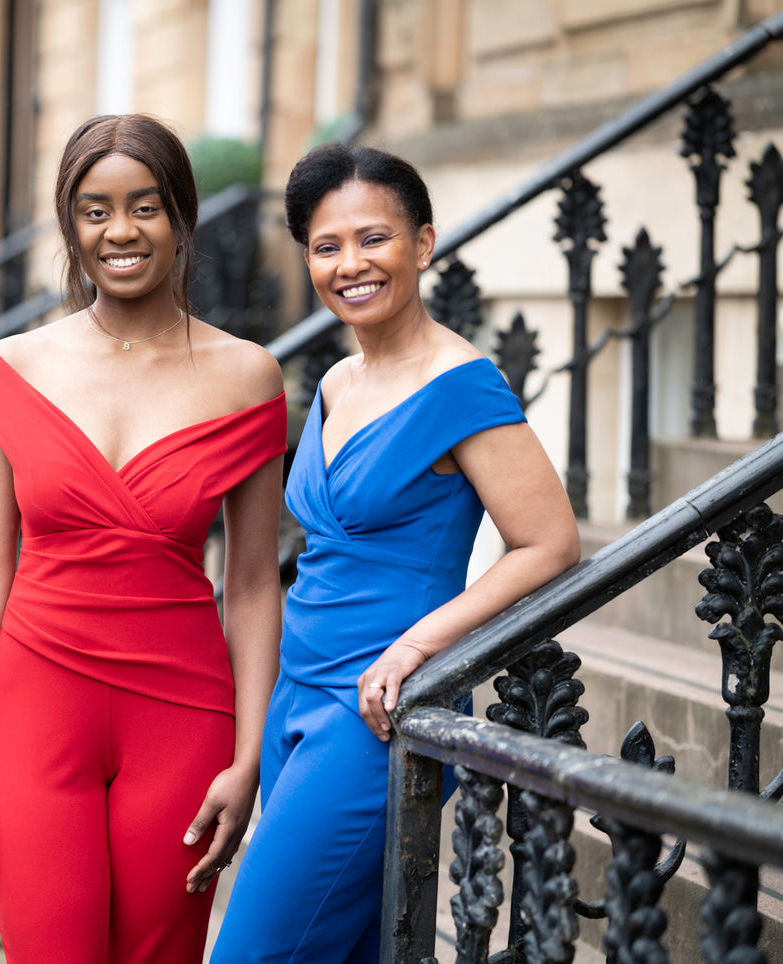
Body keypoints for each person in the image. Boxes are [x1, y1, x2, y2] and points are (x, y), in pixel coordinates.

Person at [209, 143, 581, 964]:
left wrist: (419, 644)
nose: (350, 264)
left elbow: (550, 543)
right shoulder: (339, 381)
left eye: (373, 238)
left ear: (422, 243)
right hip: (294, 698)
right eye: (326, 245)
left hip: (371, 714)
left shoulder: (463, 386)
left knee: (251, 951)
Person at [0, 113, 287, 964]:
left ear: (180, 219)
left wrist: (249, 761)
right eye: (94, 210)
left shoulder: (246, 376)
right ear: (70, 224)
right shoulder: (12, 369)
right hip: (36, 709)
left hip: (182, 717)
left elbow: (249, 586)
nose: (120, 231)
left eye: (143, 207)